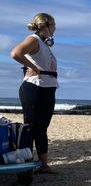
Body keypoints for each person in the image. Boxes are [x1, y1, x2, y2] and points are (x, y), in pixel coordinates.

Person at [10, 13, 59, 173]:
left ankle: (44, 165)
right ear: (46, 26)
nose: (55, 28)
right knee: (31, 128)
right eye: (54, 25)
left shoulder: (44, 44)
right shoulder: (33, 40)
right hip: (34, 88)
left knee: (42, 128)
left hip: (47, 89)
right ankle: (25, 167)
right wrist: (33, 67)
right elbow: (16, 53)